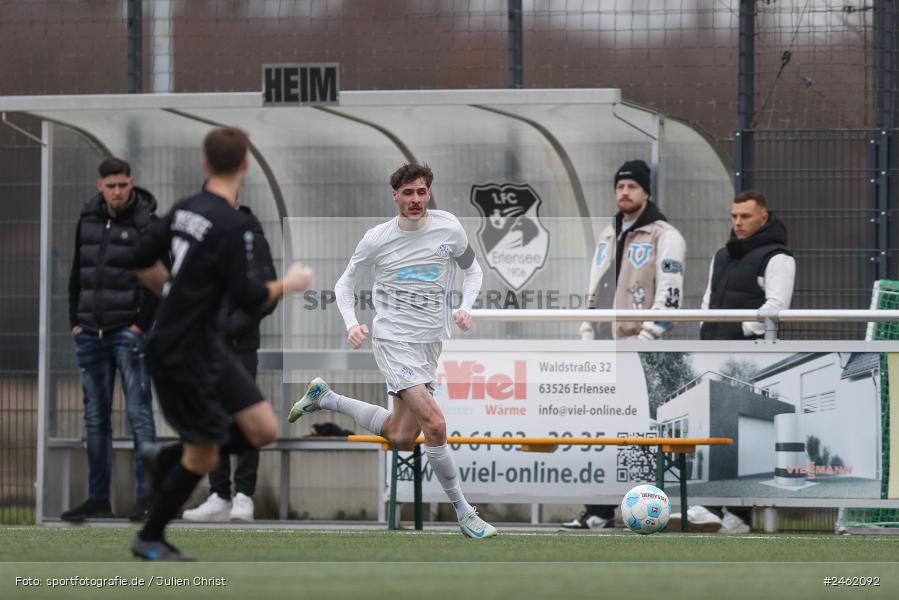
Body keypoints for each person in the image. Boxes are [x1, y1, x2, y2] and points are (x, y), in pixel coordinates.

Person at [129, 127, 312, 560]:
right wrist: (289, 283)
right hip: (181, 350)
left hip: (208, 345)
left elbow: (139, 260)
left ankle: (165, 455)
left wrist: (172, 291)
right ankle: (150, 537)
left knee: (264, 429)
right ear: (245, 165)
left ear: (206, 164)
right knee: (205, 454)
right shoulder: (235, 224)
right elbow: (250, 295)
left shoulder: (184, 209)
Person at [287, 163, 497, 539]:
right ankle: (466, 513)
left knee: (401, 437)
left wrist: (466, 305)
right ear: (395, 195)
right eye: (408, 193)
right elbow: (344, 285)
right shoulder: (376, 239)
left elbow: (474, 270)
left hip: (429, 343)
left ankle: (327, 397)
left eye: (421, 192)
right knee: (435, 425)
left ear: (429, 192)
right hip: (392, 341)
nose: (415, 200)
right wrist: (353, 325)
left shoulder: (449, 227)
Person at [561, 159, 686, 531]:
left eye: (632, 186)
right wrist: (587, 330)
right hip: (602, 348)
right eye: (619, 187)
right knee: (598, 431)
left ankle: (646, 511)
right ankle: (597, 510)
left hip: (640, 350)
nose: (624, 193)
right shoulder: (607, 233)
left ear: (646, 191)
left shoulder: (666, 236)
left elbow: (670, 297)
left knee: (640, 434)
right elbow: (595, 285)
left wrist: (646, 337)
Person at [684, 189, 795, 534]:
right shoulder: (722, 255)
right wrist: (706, 333)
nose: (737, 223)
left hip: (749, 360)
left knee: (738, 434)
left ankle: (730, 511)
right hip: (714, 353)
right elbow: (707, 302)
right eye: (733, 216)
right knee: (716, 431)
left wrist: (742, 328)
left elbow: (776, 308)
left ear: (763, 217)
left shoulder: (778, 259)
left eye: (745, 216)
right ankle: (726, 512)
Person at [64, 158, 158, 523]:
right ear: (100, 186)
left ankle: (147, 499)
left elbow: (158, 278)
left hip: (128, 334)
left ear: (131, 183)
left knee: (139, 414)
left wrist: (140, 324)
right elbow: (77, 272)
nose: (118, 192)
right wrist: (75, 320)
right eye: (111, 186)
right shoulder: (87, 219)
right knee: (94, 418)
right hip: (90, 332)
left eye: (123, 185)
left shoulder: (145, 222)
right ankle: (98, 497)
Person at [182, 201, 276, 522]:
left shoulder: (252, 237)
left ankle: (243, 495)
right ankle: (219, 493)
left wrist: (230, 327)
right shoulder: (200, 238)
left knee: (244, 414)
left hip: (239, 345)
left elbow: (266, 294)